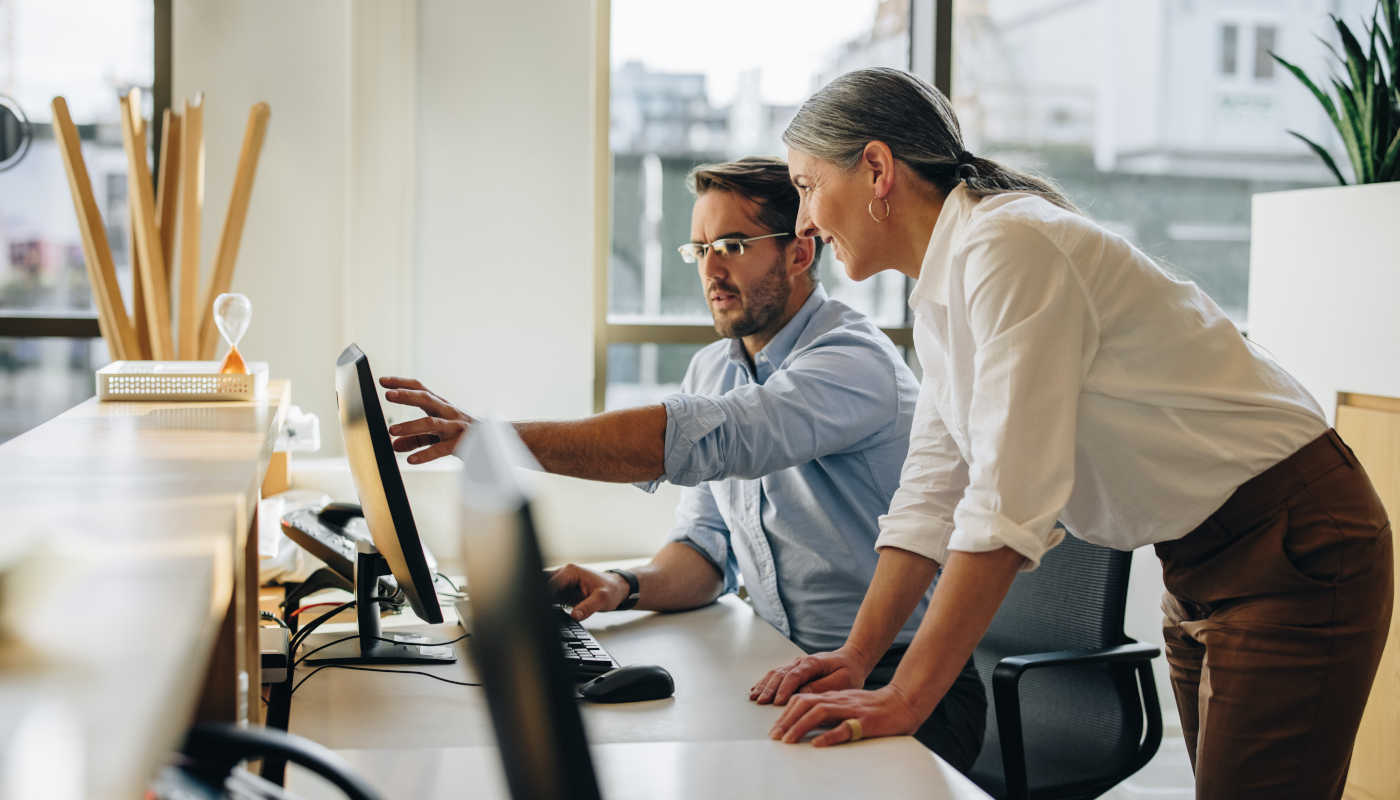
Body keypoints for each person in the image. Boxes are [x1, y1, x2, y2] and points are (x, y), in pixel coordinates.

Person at [750, 68, 1392, 799]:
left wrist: (909, 696)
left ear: (876, 168)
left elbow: (1005, 502)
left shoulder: (1010, 248)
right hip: (1202, 556)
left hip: (1292, 538)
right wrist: (859, 656)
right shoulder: (943, 292)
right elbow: (932, 492)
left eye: (805, 186)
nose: (804, 221)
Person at [380, 156, 987, 772]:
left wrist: (490, 439)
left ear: (800, 252)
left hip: (903, 680)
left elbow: (708, 441)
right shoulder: (714, 368)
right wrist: (625, 585)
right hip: (782, 667)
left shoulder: (853, 362)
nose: (711, 270)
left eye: (731, 244)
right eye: (698, 250)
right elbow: (707, 548)